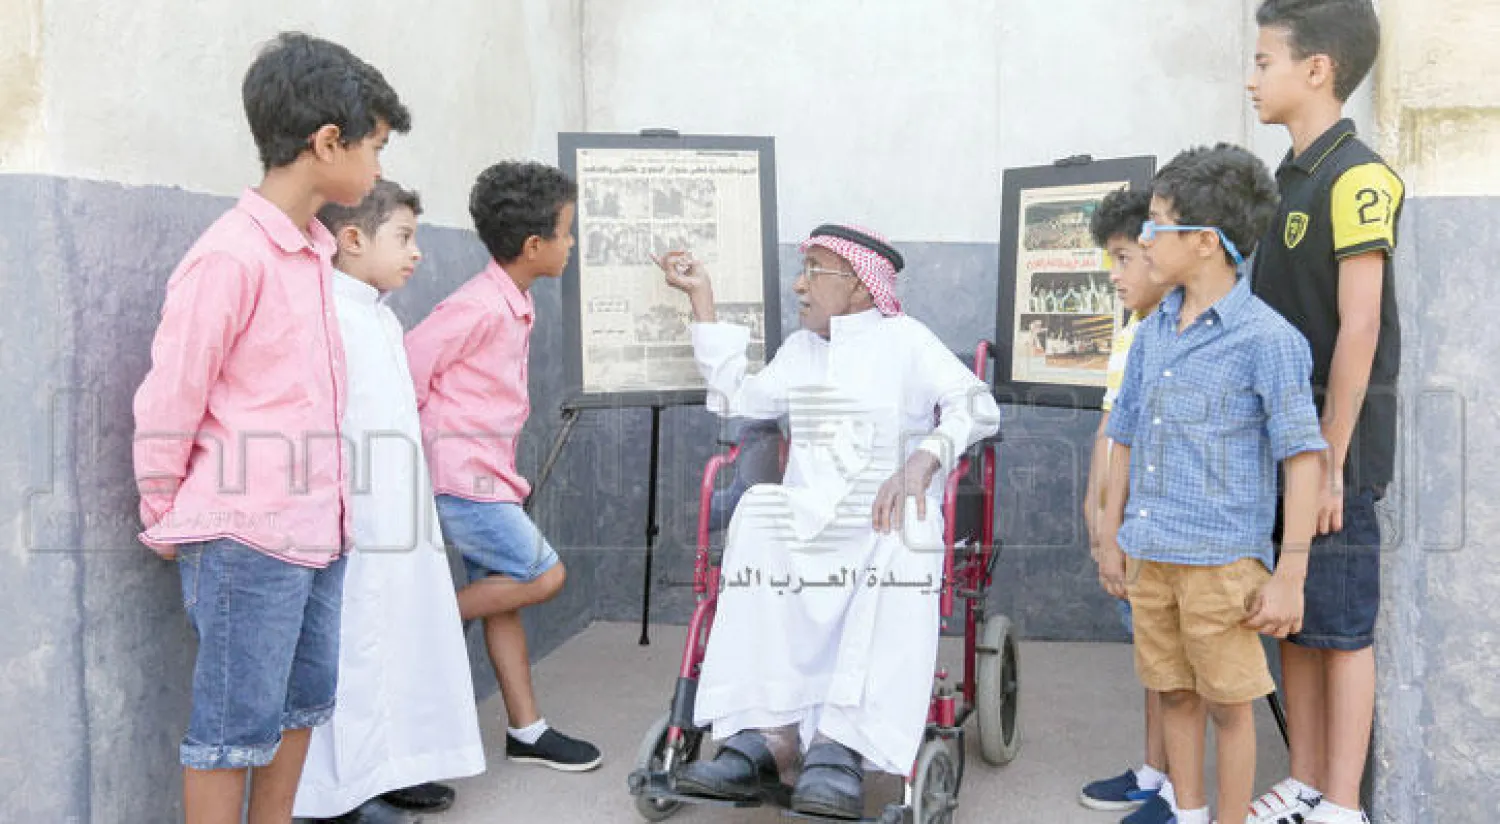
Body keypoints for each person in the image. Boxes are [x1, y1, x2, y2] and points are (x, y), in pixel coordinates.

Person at [131, 32, 409, 823]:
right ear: (328, 144)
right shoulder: (231, 256)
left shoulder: (313, 254)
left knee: (300, 711)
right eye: (376, 147)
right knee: (230, 734)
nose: (379, 169)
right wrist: (168, 515)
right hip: (245, 537)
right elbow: (170, 398)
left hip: (319, 530)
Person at [653, 224, 1000, 819]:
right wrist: (701, 299)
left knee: (911, 535)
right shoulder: (800, 350)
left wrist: (925, 458)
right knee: (760, 512)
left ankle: (843, 747)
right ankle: (766, 736)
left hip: (884, 515)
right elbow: (739, 397)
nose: (799, 285)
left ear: (863, 289)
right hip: (810, 512)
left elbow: (977, 404)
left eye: (814, 271)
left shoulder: (908, 342)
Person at [1097, 144, 1327, 824]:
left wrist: (1289, 574)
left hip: (1223, 564)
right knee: (1173, 693)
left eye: (1157, 223)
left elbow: (1303, 456)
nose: (1144, 238)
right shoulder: (1153, 331)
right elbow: (1125, 437)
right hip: (1151, 553)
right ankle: (1187, 811)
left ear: (1202, 243)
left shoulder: (1267, 338)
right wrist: (1111, 536)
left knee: (1230, 707)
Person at [1245, 4, 1401, 823]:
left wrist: (1333, 458)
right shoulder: (1290, 175)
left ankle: (1342, 804)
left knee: (1341, 626)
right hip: (1283, 439)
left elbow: (1361, 327)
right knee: (1294, 619)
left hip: (1331, 448)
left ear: (1318, 70)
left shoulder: (1358, 176)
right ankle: (1304, 781)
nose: (1251, 76)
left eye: (1265, 60)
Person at [293, 181, 486, 823]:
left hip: (400, 512)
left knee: (403, 637)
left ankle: (394, 766)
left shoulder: (377, 313)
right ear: (351, 240)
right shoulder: (328, 316)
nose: (417, 253)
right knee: (354, 650)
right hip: (354, 517)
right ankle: (339, 795)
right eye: (403, 237)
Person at [404, 161, 601, 773]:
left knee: (503, 598)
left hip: (488, 473)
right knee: (543, 576)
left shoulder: (510, 300)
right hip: (463, 479)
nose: (572, 244)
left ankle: (527, 730)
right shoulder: (478, 306)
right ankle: (420, 619)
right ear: (533, 246)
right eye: (567, 233)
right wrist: (422, 450)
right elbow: (408, 366)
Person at [1077, 188, 1179, 824]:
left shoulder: (1174, 333)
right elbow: (1110, 427)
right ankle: (1154, 769)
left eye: (1122, 258)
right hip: (1124, 513)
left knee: (1177, 661)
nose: (1113, 275)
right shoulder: (1135, 329)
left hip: (1160, 521)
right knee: (1151, 652)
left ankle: (1178, 793)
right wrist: (1095, 507)